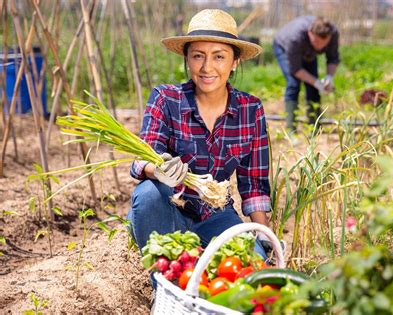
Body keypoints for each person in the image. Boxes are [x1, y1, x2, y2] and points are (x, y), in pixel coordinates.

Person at [127, 9, 274, 276]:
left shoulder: (250, 109)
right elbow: (142, 158)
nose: (207, 67)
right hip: (167, 209)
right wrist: (157, 169)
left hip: (215, 213)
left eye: (219, 56)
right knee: (148, 194)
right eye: (198, 56)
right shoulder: (166, 98)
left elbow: (253, 183)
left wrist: (263, 233)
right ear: (187, 59)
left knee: (255, 271)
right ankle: (162, 283)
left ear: (234, 62)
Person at [273, 16, 340, 132]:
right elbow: (296, 70)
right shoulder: (295, 38)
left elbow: (333, 58)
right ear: (310, 33)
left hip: (308, 52)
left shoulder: (333, 33)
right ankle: (291, 130)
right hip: (284, 47)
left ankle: (314, 127)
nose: (320, 47)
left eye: (324, 44)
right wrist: (317, 82)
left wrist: (329, 77)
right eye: (317, 42)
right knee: (293, 83)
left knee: (313, 87)